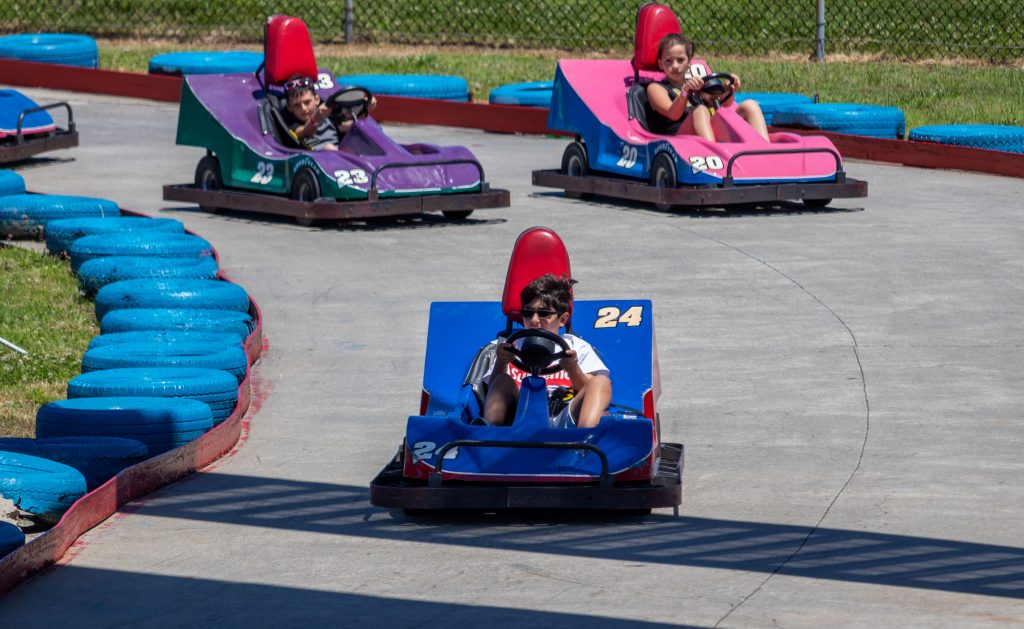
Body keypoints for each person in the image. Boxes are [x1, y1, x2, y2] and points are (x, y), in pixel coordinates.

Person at [483, 274, 612, 429]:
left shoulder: (577, 346)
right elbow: (493, 389)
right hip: (518, 416)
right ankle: (493, 436)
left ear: (563, 319)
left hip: (565, 417)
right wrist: (502, 361)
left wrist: (572, 369)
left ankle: (585, 441)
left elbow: (589, 391)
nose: (534, 320)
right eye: (528, 313)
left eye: (544, 313)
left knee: (600, 382)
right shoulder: (511, 345)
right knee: (502, 379)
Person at [645, 33, 769, 142]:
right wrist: (685, 93)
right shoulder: (656, 87)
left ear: (689, 63)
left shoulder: (697, 85)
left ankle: (765, 151)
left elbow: (723, 105)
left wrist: (728, 89)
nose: (675, 66)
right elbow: (672, 114)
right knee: (700, 111)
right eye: (669, 61)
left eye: (680, 60)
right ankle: (715, 155)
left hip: (705, 131)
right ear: (660, 63)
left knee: (749, 105)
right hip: (676, 140)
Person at [282, 77, 377, 151]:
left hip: (340, 154)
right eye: (297, 105)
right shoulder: (290, 121)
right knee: (329, 148)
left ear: (317, 100)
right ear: (290, 108)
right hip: (315, 159)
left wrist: (364, 109)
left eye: (307, 102)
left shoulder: (330, 114)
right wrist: (317, 117)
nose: (303, 108)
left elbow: (345, 126)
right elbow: (304, 133)